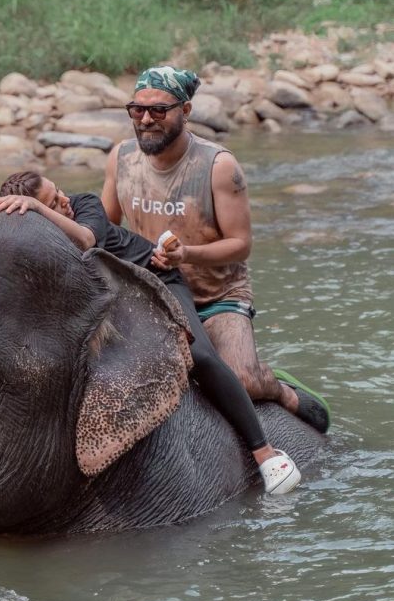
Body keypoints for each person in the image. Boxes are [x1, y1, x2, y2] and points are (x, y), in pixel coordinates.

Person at [0, 171, 301, 495]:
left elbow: (85, 241)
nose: (64, 200)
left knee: (198, 354)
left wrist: (40, 208)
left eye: (58, 192)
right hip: (114, 300)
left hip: (157, 281)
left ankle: (264, 452)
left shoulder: (85, 206)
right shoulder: (34, 239)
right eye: (54, 202)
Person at [101, 65, 330, 434]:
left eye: (159, 110)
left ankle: (276, 385)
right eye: (137, 110)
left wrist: (186, 255)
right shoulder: (121, 157)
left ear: (185, 111)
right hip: (153, 290)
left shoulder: (218, 166)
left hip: (217, 296)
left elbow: (241, 246)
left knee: (240, 380)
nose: (146, 119)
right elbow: (107, 228)